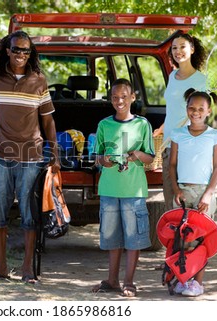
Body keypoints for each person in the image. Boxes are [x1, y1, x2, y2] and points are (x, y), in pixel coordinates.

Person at [0, 30, 60, 284]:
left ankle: (28, 269)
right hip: (0, 157)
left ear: (31, 53)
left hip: (32, 157)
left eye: (26, 50)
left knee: (30, 212)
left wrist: (54, 151)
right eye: (16, 49)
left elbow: (48, 120)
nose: (21, 54)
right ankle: (1, 268)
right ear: (7, 51)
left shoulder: (38, 81)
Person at [91, 78, 155, 297]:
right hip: (109, 189)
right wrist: (103, 160)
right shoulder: (103, 125)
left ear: (133, 98)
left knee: (133, 237)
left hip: (133, 190)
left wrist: (137, 154)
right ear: (110, 99)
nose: (120, 101)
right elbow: (97, 156)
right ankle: (112, 280)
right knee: (111, 237)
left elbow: (149, 158)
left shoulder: (142, 124)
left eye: (124, 97)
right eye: (115, 97)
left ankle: (129, 282)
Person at [169, 88, 217, 297]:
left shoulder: (215, 136)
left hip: (203, 193)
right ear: (186, 109)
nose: (196, 112)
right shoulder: (178, 134)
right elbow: (172, 164)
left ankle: (197, 283)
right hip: (183, 192)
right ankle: (183, 279)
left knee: (201, 240)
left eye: (201, 109)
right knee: (182, 239)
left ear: (208, 111)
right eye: (192, 108)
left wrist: (208, 194)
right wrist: (176, 189)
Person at [153, 34, 207, 211]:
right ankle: (175, 240)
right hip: (169, 146)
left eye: (182, 47)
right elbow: (173, 110)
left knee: (189, 203)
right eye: (174, 48)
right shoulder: (172, 76)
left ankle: (190, 239)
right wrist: (161, 129)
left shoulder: (201, 81)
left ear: (192, 49)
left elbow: (200, 117)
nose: (178, 51)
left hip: (188, 148)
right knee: (172, 203)